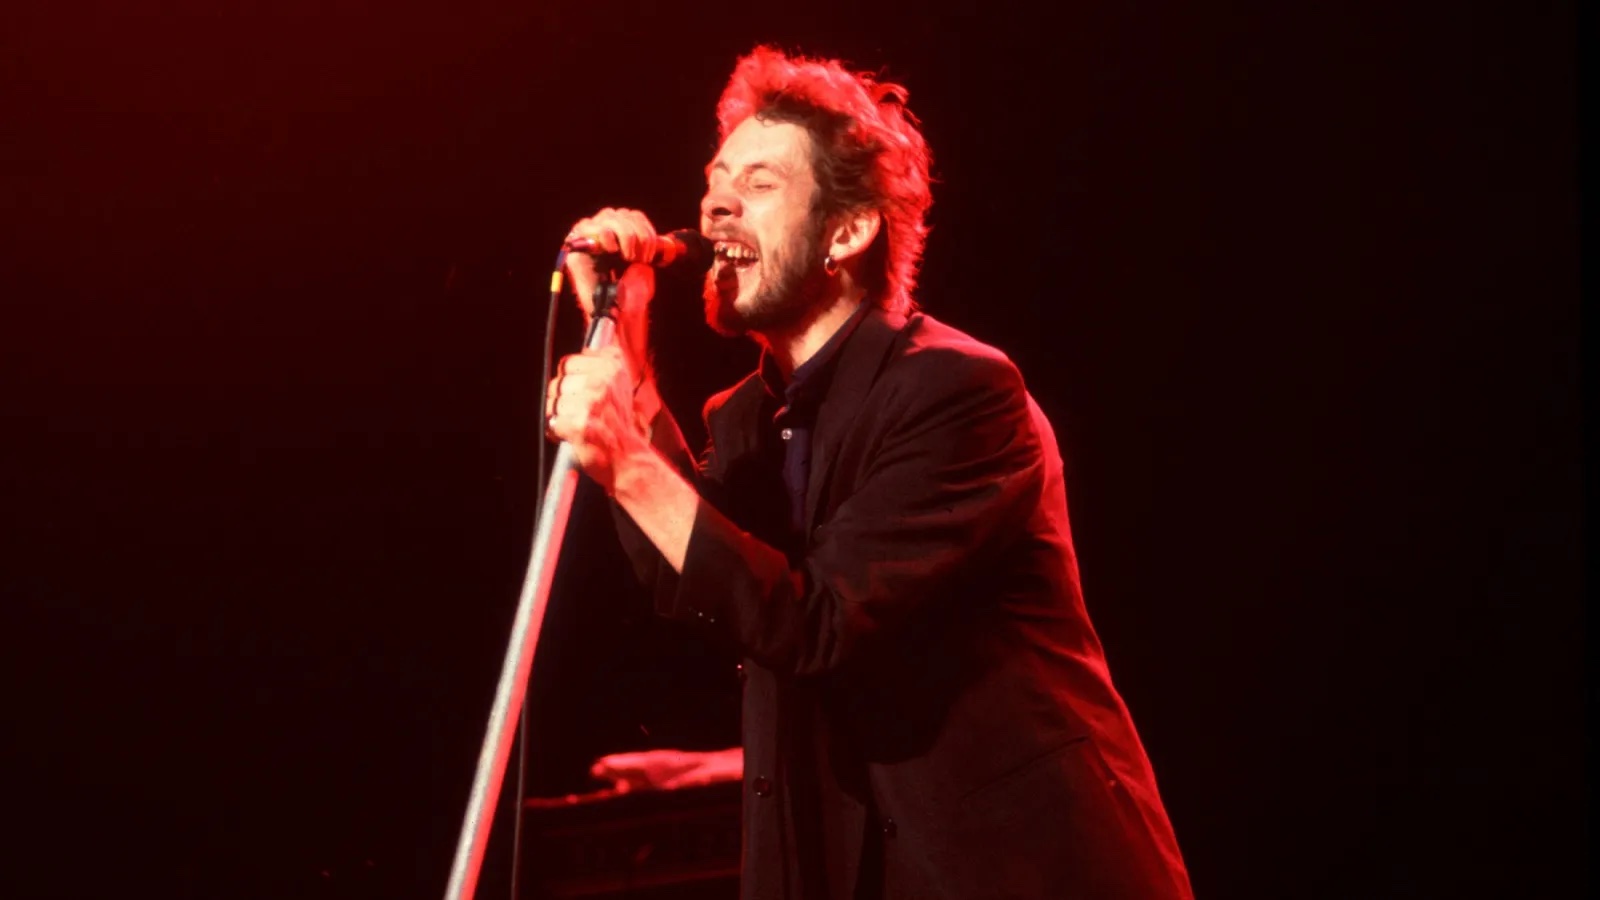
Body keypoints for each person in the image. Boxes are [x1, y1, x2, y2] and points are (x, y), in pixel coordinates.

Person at [545, 45, 1193, 900]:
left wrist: (629, 460)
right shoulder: (745, 419)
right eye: (715, 180)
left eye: (760, 183)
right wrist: (626, 341)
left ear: (847, 232)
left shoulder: (960, 394)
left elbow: (814, 622)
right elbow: (699, 582)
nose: (715, 204)